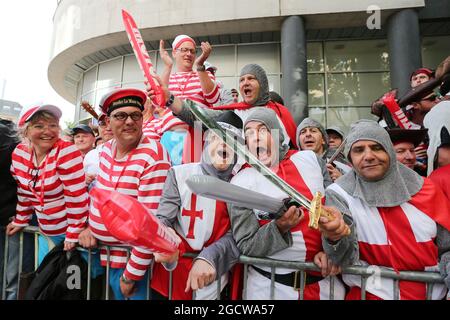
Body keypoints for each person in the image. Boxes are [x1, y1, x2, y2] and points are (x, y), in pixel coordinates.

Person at [228, 107, 354, 300]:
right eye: (249, 133)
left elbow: (338, 215)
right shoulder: (239, 182)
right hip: (267, 290)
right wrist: (280, 227)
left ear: (277, 133)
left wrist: (333, 246)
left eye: (262, 130)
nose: (255, 138)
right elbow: (247, 245)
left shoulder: (310, 159)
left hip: (324, 287)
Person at [325, 120, 450, 300]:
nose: (368, 156)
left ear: (389, 151)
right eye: (359, 150)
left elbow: (446, 247)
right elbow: (343, 259)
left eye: (376, 147)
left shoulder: (426, 188)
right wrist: (334, 236)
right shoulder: (339, 194)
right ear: (350, 158)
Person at [78, 88, 172, 300]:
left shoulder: (153, 155)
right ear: (108, 122)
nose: (129, 121)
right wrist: (89, 226)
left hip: (136, 267)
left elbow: (151, 223)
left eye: (135, 115)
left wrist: (131, 276)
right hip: (109, 259)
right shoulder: (106, 149)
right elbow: (100, 196)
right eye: (121, 115)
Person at [151, 111, 242, 300]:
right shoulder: (179, 174)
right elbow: (163, 219)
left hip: (213, 282)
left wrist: (210, 256)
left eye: (232, 140)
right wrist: (164, 240)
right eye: (217, 137)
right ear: (207, 141)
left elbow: (240, 235)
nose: (224, 144)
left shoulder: (241, 185)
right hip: (170, 280)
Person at [7, 104, 89, 263]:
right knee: (45, 280)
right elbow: (24, 192)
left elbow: (76, 196)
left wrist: (73, 232)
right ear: (26, 130)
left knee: (73, 283)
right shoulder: (19, 153)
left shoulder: (66, 151)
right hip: (45, 231)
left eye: (53, 125)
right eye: (39, 126)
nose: (48, 131)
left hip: (71, 233)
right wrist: (21, 219)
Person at [158, 63, 298, 150]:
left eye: (251, 78)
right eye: (242, 80)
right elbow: (199, 116)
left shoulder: (279, 112)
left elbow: (292, 149)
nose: (245, 82)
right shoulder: (233, 113)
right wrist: (169, 98)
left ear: (263, 84)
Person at [159, 35, 221, 163]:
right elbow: (159, 101)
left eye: (192, 51)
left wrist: (200, 65)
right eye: (184, 50)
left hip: (197, 135)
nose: (189, 54)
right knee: (169, 179)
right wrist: (168, 67)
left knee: (193, 179)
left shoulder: (204, 73)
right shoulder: (168, 76)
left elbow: (213, 98)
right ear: (174, 53)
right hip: (169, 136)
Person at [0, 118, 36, 300]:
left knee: (15, 273)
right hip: (15, 218)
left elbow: (22, 184)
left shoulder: (8, 137)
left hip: (15, 221)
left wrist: (20, 217)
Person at [83, 113, 114, 188]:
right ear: (98, 128)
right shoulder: (91, 155)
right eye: (103, 124)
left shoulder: (132, 152)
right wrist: (83, 181)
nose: (108, 128)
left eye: (112, 123)